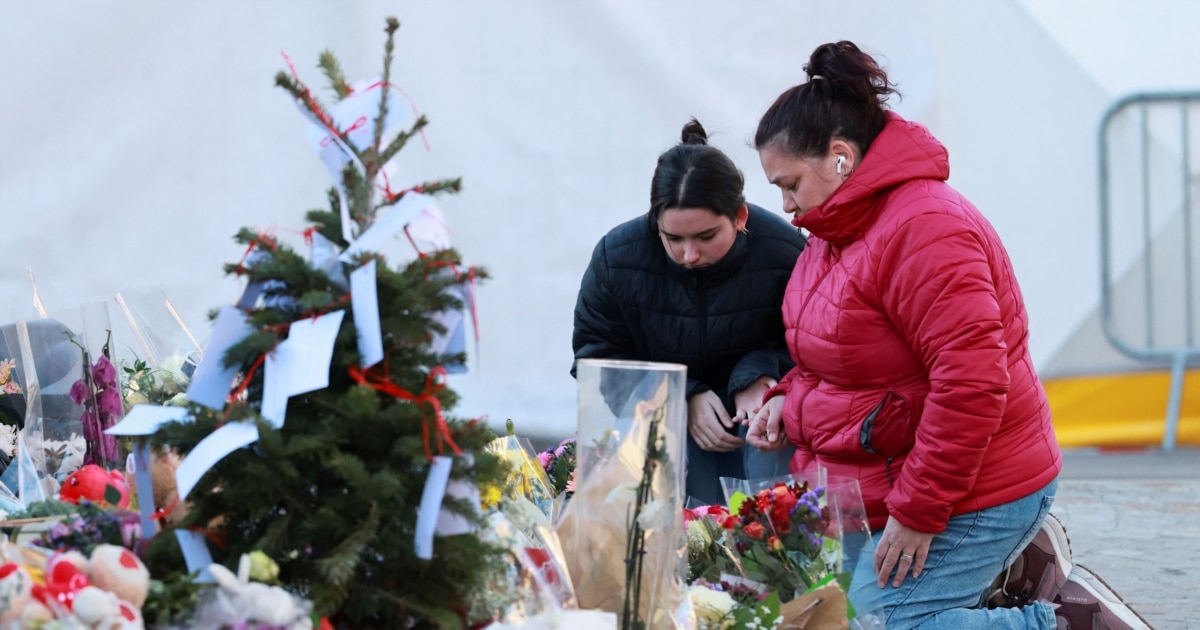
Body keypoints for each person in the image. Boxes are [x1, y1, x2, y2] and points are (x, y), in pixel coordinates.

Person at [745, 41, 1150, 629]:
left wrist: (919, 514)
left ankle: (1065, 621)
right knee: (803, 613)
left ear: (839, 157)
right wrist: (787, 396)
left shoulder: (925, 228)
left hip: (973, 489)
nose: (784, 206)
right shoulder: (837, 231)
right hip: (894, 483)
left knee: (880, 626)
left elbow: (972, 382)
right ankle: (1010, 572)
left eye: (790, 184)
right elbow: (833, 355)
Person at [572, 119, 806, 505]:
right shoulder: (616, 260)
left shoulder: (784, 252)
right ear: (655, 222)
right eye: (673, 238)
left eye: (706, 237)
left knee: (764, 545)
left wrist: (762, 377)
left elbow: (817, 346)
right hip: (662, 441)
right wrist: (681, 397)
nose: (689, 255)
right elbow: (599, 360)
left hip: (763, 437)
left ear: (740, 217)